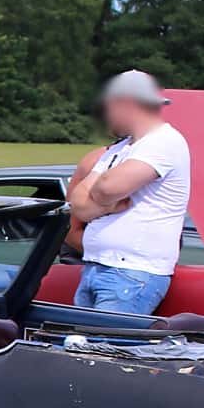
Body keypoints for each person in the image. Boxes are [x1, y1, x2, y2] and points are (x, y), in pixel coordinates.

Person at [68, 69, 190, 315]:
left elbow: (105, 189)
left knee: (105, 349)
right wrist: (110, 204)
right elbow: (78, 203)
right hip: (100, 267)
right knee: (85, 346)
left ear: (125, 104)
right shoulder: (122, 148)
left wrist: (101, 197)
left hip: (131, 273)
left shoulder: (163, 142)